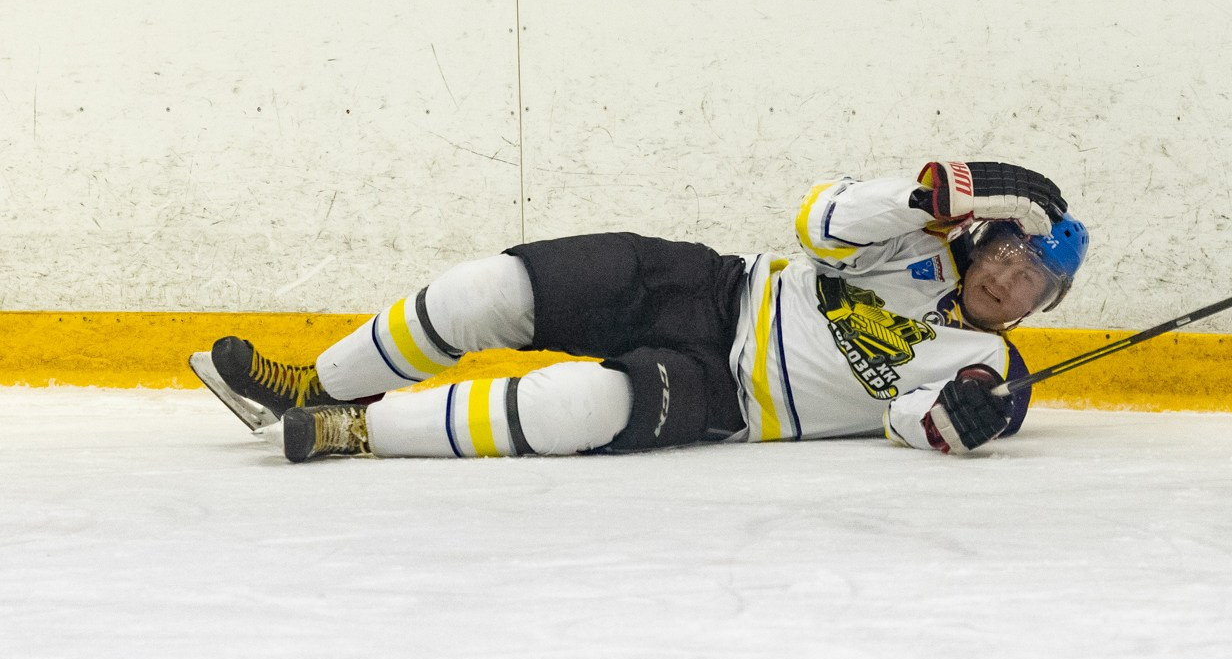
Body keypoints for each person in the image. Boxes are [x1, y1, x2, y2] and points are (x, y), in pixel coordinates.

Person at [187, 163, 1088, 464]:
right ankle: (310, 381)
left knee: (577, 408)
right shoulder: (914, 234)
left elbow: (920, 420)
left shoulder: (991, 366)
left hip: (728, 397)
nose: (1012, 284)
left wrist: (961, 421)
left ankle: (350, 430)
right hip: (707, 287)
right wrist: (939, 185)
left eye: (1034, 287)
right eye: (1011, 255)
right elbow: (820, 221)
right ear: (985, 237)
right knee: (489, 290)